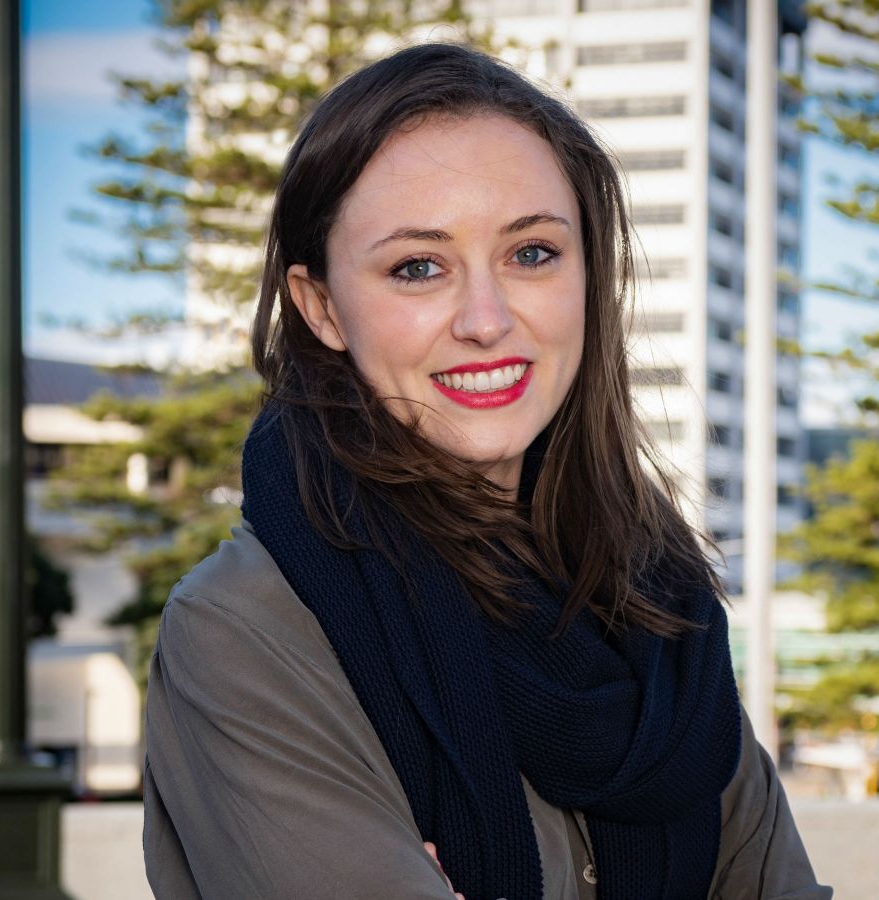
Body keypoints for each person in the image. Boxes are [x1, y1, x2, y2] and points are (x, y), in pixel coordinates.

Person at [143, 42, 831, 900]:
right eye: (417, 267)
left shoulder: (661, 607)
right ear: (320, 307)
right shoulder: (244, 630)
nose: (485, 319)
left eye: (532, 253)